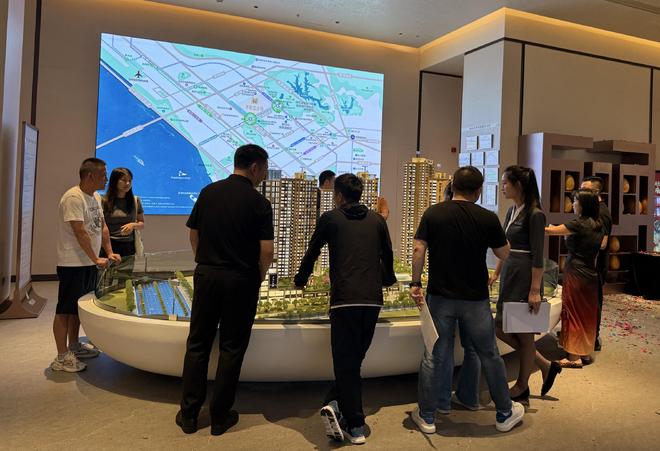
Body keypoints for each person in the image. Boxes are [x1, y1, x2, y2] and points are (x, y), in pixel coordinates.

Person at [410, 166, 524, 434]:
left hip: (440, 297)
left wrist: (415, 283)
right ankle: (504, 413)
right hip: (475, 299)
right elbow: (504, 253)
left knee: (434, 354)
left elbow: (418, 249)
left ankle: (427, 416)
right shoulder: (487, 218)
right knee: (489, 354)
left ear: (452, 185)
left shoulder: (433, 213)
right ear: (479, 190)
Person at [177, 144, 274, 435]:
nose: (265, 175)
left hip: (207, 275)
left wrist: (205, 261)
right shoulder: (259, 203)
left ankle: (189, 415)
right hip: (241, 279)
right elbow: (266, 251)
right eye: (265, 170)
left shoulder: (208, 192)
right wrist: (258, 275)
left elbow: (193, 235)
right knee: (232, 348)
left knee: (198, 344)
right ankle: (220, 417)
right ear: (255, 167)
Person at [294, 173, 396, 445]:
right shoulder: (377, 220)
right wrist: (387, 280)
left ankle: (355, 424)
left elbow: (313, 251)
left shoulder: (330, 219)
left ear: (338, 196)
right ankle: (334, 403)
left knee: (345, 363)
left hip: (344, 300)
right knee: (353, 361)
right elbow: (387, 254)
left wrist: (300, 280)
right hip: (372, 301)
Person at [489, 166, 558, 400]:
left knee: (524, 332)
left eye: (505, 183)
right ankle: (544, 364)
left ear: (518, 185)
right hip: (510, 273)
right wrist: (497, 273)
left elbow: (538, 255)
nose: (502, 187)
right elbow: (505, 246)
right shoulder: (512, 211)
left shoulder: (535, 214)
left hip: (525, 276)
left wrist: (535, 290)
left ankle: (522, 385)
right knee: (500, 327)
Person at [52, 158, 121, 372]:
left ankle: (74, 346)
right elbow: (79, 232)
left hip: (88, 263)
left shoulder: (96, 197)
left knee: (77, 308)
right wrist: (95, 258)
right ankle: (61, 357)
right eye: (103, 175)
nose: (106, 179)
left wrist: (108, 252)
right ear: (90, 176)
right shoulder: (73, 197)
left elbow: (103, 227)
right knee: (65, 310)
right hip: (72, 264)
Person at [546, 189, 604, 368]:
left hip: (576, 272)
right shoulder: (598, 224)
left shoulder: (578, 224)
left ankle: (573, 357)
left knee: (573, 311)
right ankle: (584, 351)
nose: (573, 204)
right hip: (590, 272)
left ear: (583, 205)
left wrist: (533, 223)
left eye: (576, 201)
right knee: (585, 313)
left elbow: (550, 231)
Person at [580, 176, 612, 353]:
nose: (581, 192)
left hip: (595, 266)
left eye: (585, 189)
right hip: (587, 266)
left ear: (595, 192)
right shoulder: (592, 209)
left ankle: (593, 339)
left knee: (594, 302)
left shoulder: (602, 212)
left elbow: (602, 243)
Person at [101, 167, 145, 258]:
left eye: (130, 180)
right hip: (108, 245)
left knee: (127, 268)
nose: (127, 183)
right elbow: (100, 225)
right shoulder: (103, 200)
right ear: (114, 181)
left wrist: (133, 225)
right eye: (124, 180)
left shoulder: (135, 200)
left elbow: (142, 223)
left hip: (128, 245)